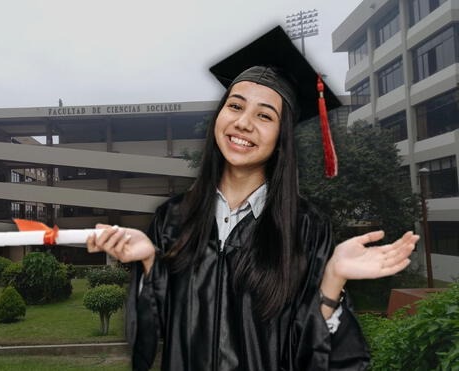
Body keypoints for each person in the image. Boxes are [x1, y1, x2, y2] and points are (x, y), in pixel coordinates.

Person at [86, 26, 418, 371]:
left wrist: (333, 279)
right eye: (235, 106)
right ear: (219, 116)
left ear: (281, 137)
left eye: (264, 115)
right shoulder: (173, 217)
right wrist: (150, 263)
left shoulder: (305, 226)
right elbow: (163, 328)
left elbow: (309, 348)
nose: (243, 123)